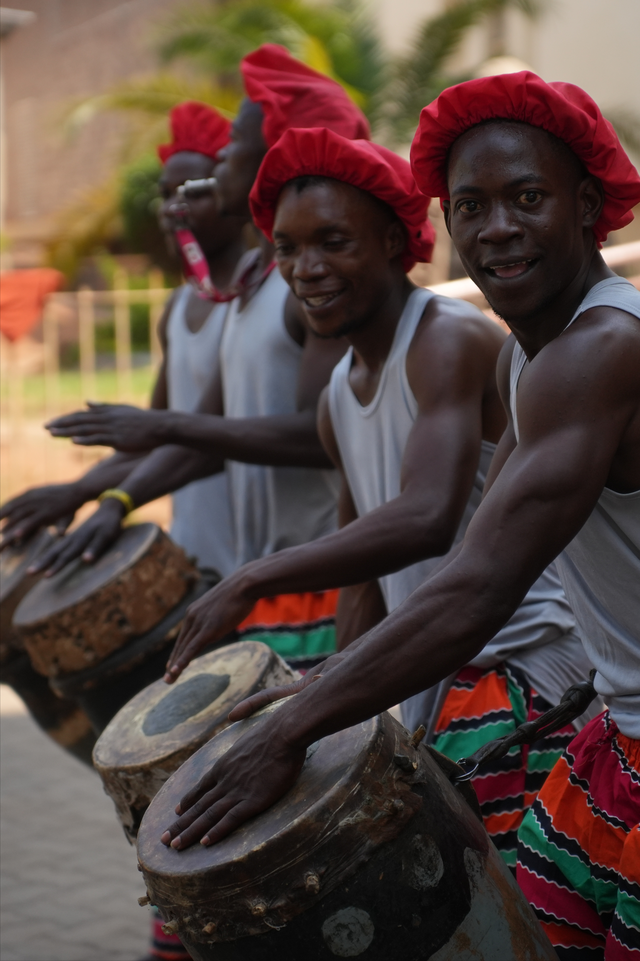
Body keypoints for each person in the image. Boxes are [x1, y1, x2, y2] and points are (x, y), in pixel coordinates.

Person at [160, 73, 640, 961]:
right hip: (615, 735)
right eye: (471, 205)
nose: (496, 228)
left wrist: (292, 725)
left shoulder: (602, 347)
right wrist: (330, 686)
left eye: (526, 198)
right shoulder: (527, 365)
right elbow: (449, 567)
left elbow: (474, 581)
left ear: (588, 205)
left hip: (552, 697)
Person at [28, 44, 370, 665]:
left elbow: (323, 436)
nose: (221, 165)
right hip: (256, 583)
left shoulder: (310, 291)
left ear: (274, 157)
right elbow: (203, 437)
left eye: (235, 149)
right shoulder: (247, 285)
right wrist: (110, 497)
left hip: (314, 590)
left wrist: (156, 427)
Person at [0, 101, 246, 579]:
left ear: (234, 191)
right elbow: (152, 435)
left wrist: (113, 497)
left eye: (191, 192)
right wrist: (76, 490)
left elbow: (213, 436)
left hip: (269, 556)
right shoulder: (178, 308)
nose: (173, 208)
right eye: (164, 193)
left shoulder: (261, 298)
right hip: (197, 550)